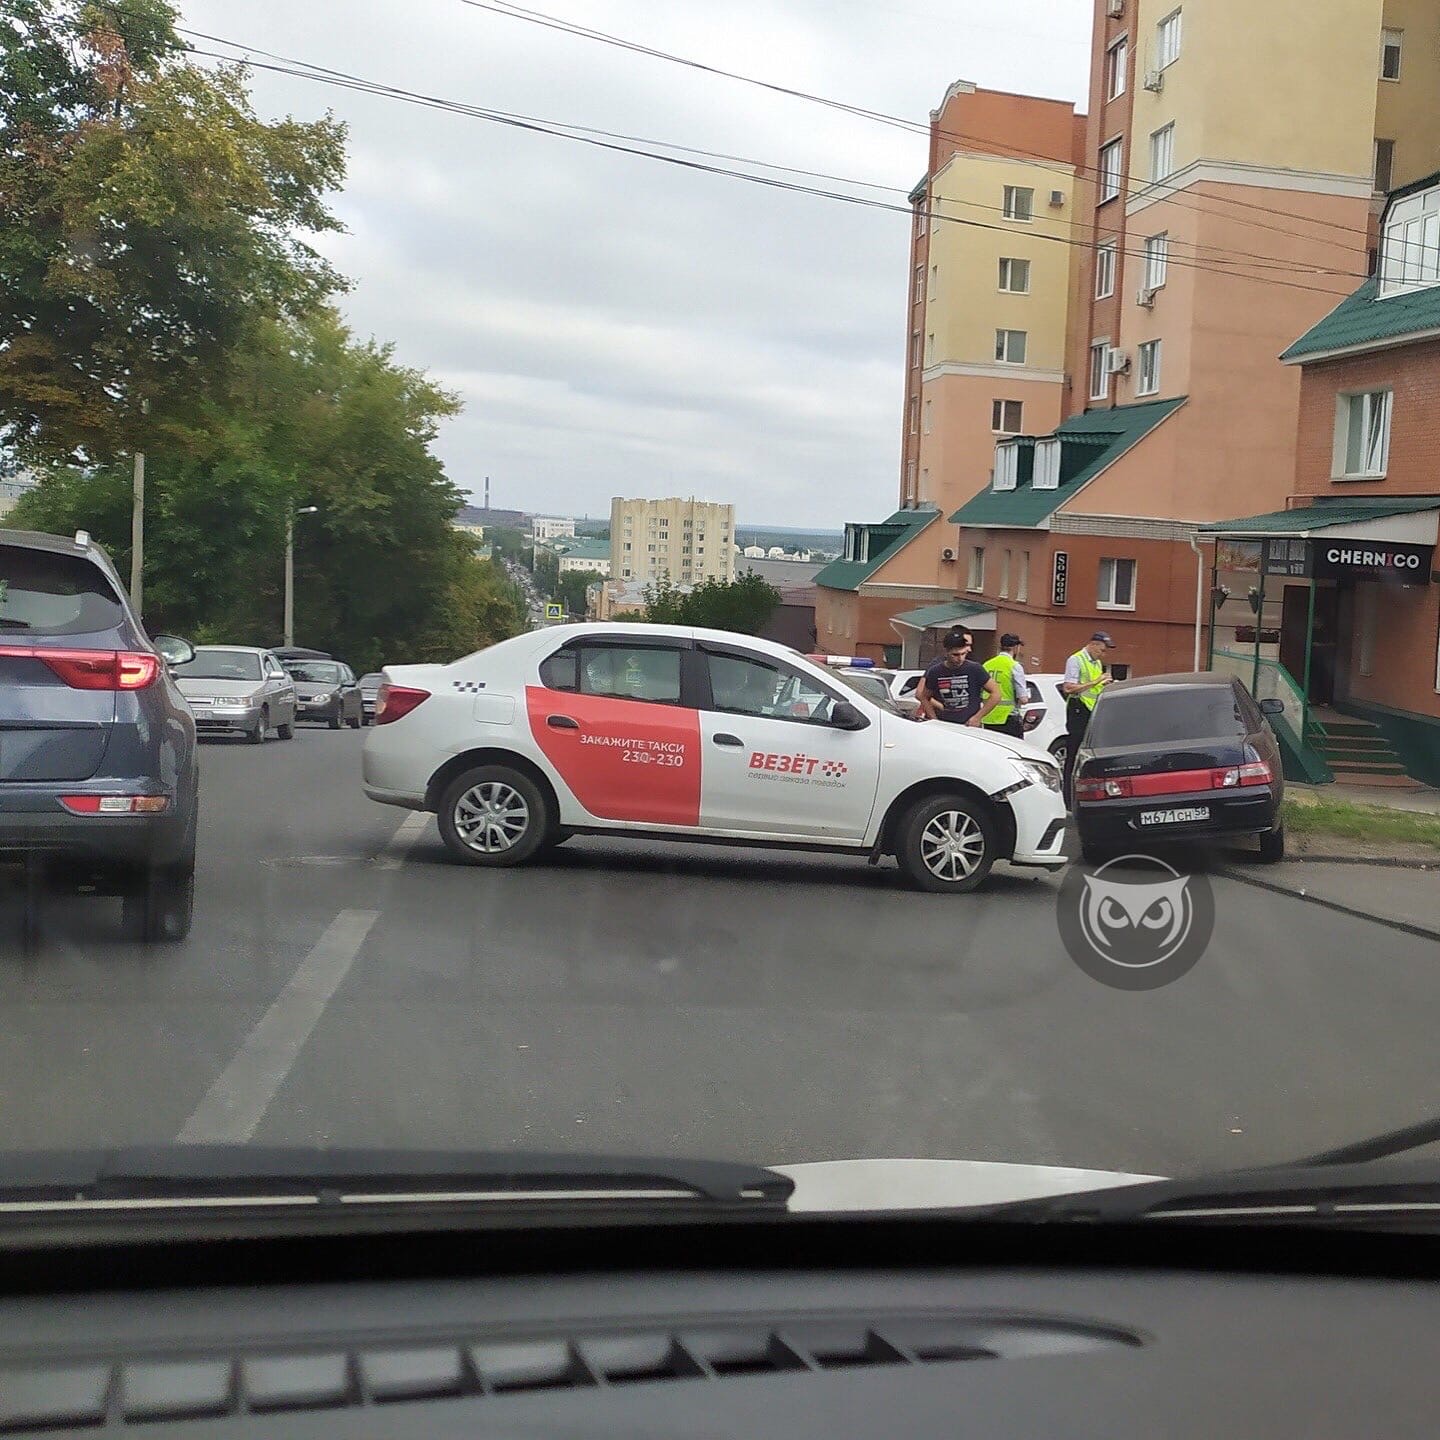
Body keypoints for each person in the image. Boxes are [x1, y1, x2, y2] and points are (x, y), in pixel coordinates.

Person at [1062, 631, 1115, 800]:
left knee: (1088, 754)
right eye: (1102, 650)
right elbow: (1068, 688)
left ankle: (1085, 792)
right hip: (1078, 709)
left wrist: (1105, 685)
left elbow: (1094, 689)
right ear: (1093, 644)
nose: (1103, 654)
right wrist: (1096, 681)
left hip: (1092, 710)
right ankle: (1068, 796)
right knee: (1074, 753)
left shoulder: (1096, 662)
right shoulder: (1076, 660)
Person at [915, 629, 1000, 727]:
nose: (960, 658)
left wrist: (978, 717)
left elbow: (996, 693)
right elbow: (924, 696)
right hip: (945, 724)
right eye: (955, 655)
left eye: (963, 654)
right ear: (946, 652)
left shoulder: (975, 668)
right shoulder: (935, 671)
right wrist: (934, 719)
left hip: (969, 725)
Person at [982, 633, 1030, 739]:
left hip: (988, 717)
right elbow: (1023, 699)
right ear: (1015, 647)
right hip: (1008, 717)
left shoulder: (986, 664)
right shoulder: (1014, 666)